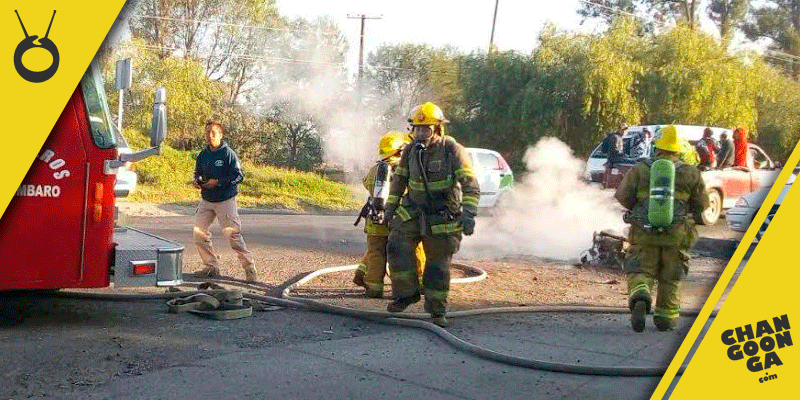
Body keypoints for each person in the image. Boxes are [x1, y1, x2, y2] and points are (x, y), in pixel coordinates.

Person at [384, 102, 480, 327]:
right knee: (397, 245)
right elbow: (399, 181)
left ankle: (437, 311)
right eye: (416, 129)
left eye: (425, 129)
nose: (420, 134)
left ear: (438, 129)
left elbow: (470, 184)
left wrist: (469, 214)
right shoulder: (409, 150)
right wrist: (390, 209)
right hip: (414, 210)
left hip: (443, 214)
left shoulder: (451, 149)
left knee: (437, 265)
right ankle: (406, 294)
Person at [615, 125, 709, 332]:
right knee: (671, 278)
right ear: (678, 149)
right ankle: (665, 318)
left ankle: (641, 294)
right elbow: (703, 205)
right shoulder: (691, 173)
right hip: (677, 237)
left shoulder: (640, 169)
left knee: (640, 270)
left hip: (644, 234)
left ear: (657, 147)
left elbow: (623, 197)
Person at [353, 131, 426, 298]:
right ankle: (417, 284)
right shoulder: (406, 168)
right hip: (400, 220)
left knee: (376, 253)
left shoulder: (375, 169)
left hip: (375, 220)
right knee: (410, 251)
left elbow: (366, 183)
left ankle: (374, 288)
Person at [193, 119, 256, 282]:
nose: (209, 135)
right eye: (207, 132)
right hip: (207, 199)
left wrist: (219, 182)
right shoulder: (202, 155)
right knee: (199, 233)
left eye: (213, 132)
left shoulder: (228, 154)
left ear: (220, 135)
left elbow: (238, 176)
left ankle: (250, 270)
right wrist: (198, 181)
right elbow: (197, 173)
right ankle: (211, 267)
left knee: (232, 236)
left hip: (225, 200)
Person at [601, 124, 627, 188]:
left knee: (611, 181)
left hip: (613, 162)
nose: (625, 132)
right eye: (623, 130)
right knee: (611, 181)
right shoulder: (615, 137)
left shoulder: (617, 137)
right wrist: (622, 156)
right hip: (614, 163)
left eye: (625, 130)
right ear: (620, 130)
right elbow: (613, 150)